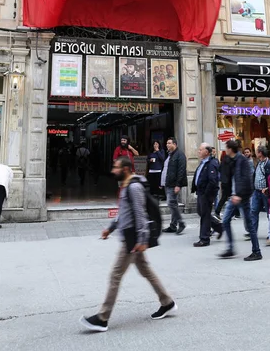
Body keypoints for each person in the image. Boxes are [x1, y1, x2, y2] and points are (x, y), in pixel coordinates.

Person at [79, 157, 177, 332]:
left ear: (125, 169)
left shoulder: (134, 187)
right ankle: (167, 302)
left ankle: (102, 318)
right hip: (131, 236)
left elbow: (140, 215)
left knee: (115, 275)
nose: (113, 171)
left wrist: (142, 240)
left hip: (132, 239)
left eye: (116, 168)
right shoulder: (125, 185)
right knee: (146, 271)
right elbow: (123, 212)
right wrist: (110, 228)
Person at [219, 140, 262, 261]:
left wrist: (240, 195)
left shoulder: (242, 160)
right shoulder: (230, 160)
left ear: (230, 149)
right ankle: (230, 248)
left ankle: (256, 251)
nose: (224, 150)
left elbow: (247, 180)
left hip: (242, 197)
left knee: (249, 225)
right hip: (233, 196)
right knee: (226, 220)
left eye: (226, 148)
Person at [191, 143, 222, 247]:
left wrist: (206, 194)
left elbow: (213, 181)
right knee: (202, 212)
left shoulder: (212, 163)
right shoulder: (203, 162)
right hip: (201, 192)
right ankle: (219, 227)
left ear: (206, 152)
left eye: (200, 149)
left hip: (206, 193)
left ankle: (204, 239)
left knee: (204, 214)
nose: (198, 151)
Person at [161, 137, 187, 235]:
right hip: (167, 183)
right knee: (173, 204)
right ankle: (173, 225)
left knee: (171, 203)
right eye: (167, 143)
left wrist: (178, 185)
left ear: (174, 144)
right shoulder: (170, 155)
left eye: (169, 143)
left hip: (173, 184)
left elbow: (181, 171)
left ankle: (181, 223)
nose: (167, 145)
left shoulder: (180, 155)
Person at [251, 145, 270, 237]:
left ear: (260, 153)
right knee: (253, 211)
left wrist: (268, 188)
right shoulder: (259, 163)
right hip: (257, 191)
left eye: (256, 151)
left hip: (265, 192)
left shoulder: (268, 164)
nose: (255, 153)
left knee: (269, 213)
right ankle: (253, 232)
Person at [215, 151, 233, 219]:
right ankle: (218, 211)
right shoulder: (230, 161)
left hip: (223, 182)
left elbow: (219, 169)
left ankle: (218, 211)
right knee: (229, 197)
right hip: (229, 182)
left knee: (224, 197)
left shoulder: (223, 161)